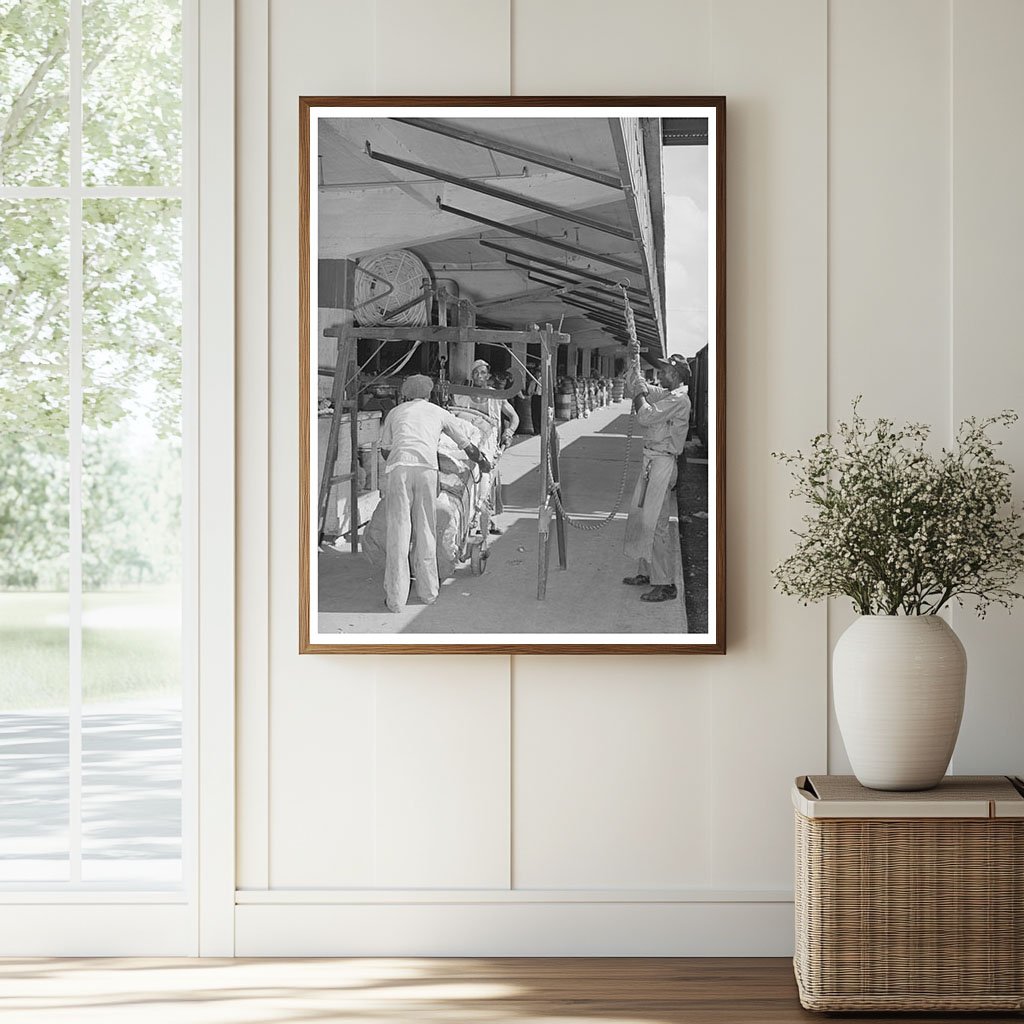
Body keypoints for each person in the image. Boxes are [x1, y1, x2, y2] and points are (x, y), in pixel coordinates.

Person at [378, 375, 491, 612]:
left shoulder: (395, 413)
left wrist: (405, 452)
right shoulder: (439, 412)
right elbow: (466, 445)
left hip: (399, 470)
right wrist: (483, 462)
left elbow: (385, 452)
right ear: (429, 394)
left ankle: (395, 600)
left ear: (406, 394)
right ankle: (428, 593)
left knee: (398, 533)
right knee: (426, 529)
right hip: (427, 471)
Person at [622, 353, 692, 603]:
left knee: (658, 524)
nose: (660, 375)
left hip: (662, 462)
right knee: (643, 517)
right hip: (652, 461)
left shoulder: (679, 400)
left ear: (675, 375)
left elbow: (646, 416)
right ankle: (647, 573)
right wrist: (635, 372)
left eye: (664, 371)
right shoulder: (668, 394)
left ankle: (666, 584)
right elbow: (646, 389)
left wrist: (638, 394)